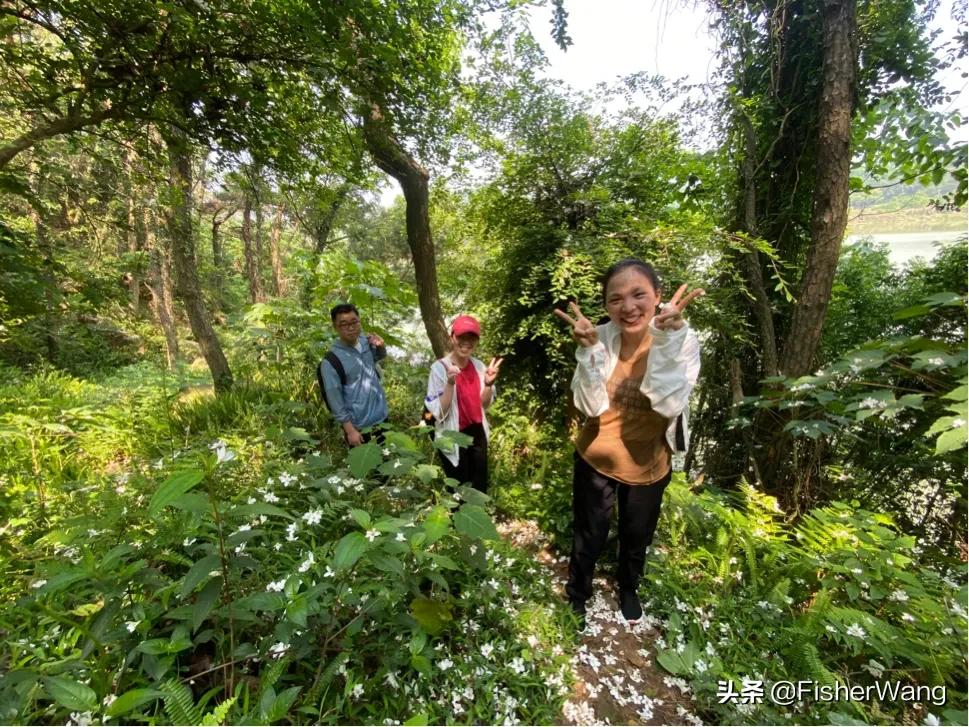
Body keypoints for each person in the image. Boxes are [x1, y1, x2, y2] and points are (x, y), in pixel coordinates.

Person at [553, 258, 703, 626]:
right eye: (615, 299)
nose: (628, 307)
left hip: (649, 462)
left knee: (637, 533)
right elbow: (588, 405)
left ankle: (628, 587)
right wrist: (588, 351)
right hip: (596, 456)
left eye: (639, 295)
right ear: (606, 306)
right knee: (590, 530)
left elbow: (668, 403)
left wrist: (667, 342)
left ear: (658, 296)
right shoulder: (601, 336)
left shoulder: (682, 340)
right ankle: (578, 591)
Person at [424, 315, 503, 492]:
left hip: (477, 434)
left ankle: (478, 518)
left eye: (472, 338)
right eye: (462, 337)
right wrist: (450, 383)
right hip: (452, 435)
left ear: (476, 341)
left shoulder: (480, 367)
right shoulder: (439, 369)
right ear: (452, 337)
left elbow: (484, 404)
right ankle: (457, 519)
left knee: (479, 488)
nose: (466, 342)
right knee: (458, 490)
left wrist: (489, 384)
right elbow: (438, 412)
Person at [320, 303, 388, 447]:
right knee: (365, 467)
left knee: (390, 465)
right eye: (343, 324)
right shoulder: (331, 361)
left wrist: (381, 346)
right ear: (335, 327)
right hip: (359, 427)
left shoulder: (365, 342)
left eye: (353, 322)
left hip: (382, 418)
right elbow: (334, 400)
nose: (350, 328)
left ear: (359, 321)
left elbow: (377, 358)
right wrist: (350, 431)